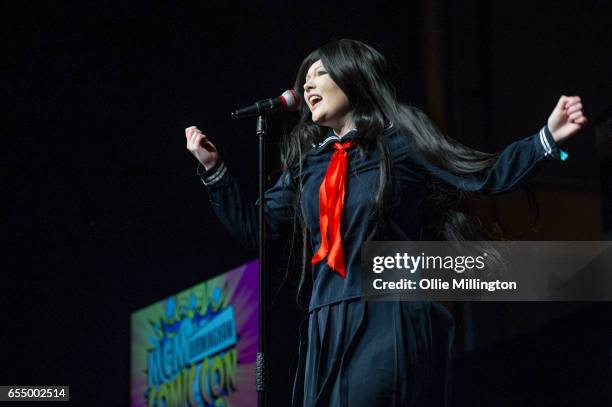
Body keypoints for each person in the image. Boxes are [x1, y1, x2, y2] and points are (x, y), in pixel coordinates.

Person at [184, 39, 587, 406]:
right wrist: (214, 171)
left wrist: (546, 139)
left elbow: (480, 175)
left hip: (388, 313)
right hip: (327, 322)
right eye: (304, 79)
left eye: (320, 73)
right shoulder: (308, 166)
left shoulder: (399, 140)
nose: (308, 86)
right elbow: (256, 229)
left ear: (353, 78)